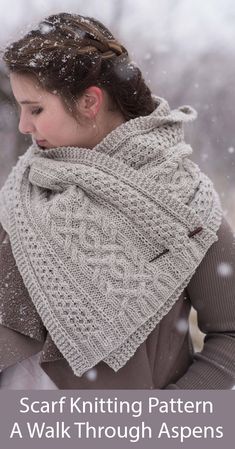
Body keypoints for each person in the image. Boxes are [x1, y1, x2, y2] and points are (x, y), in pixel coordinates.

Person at [0, 12, 234, 390]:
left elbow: (231, 337)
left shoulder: (182, 201)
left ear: (90, 102)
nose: (24, 126)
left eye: (36, 109)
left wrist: (169, 422)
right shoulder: (23, 189)